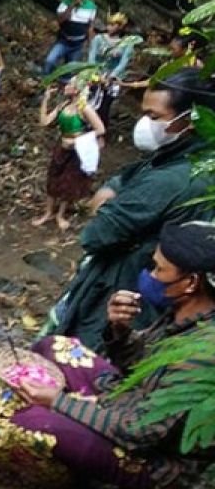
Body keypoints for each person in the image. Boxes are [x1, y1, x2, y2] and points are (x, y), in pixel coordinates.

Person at [0, 221, 215, 489]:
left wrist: (59, 403)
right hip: (128, 401)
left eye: (159, 270)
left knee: (33, 423)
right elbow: (136, 368)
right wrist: (119, 330)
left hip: (160, 462)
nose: (150, 276)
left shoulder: (202, 353)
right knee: (55, 347)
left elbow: (142, 432)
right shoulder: (184, 315)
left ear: (190, 282)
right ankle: (80, 459)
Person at [51, 68, 214, 348]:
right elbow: (129, 174)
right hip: (148, 289)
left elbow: (96, 234)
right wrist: (116, 188)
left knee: (88, 360)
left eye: (154, 117)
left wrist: (106, 203)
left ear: (188, 120)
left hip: (122, 290)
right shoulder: (185, 156)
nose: (144, 124)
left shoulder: (173, 180)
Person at [34, 79, 105, 231]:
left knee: (68, 182)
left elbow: (100, 129)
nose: (66, 87)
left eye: (70, 85)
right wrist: (46, 100)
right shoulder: (63, 106)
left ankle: (60, 214)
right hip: (62, 146)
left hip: (76, 149)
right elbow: (44, 122)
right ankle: (48, 212)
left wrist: (78, 142)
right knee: (53, 177)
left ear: (78, 89)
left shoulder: (84, 108)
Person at [88, 12, 138, 125]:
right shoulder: (98, 39)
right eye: (109, 24)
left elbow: (123, 62)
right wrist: (95, 73)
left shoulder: (126, 44)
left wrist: (111, 76)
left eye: (113, 24)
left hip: (112, 79)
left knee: (105, 106)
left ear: (120, 27)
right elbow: (92, 57)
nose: (109, 27)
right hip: (96, 74)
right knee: (90, 102)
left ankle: (102, 128)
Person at [44, 0, 97, 76]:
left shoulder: (91, 7)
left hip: (78, 44)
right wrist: (72, 5)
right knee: (50, 60)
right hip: (63, 41)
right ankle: (46, 80)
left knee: (69, 70)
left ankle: (62, 86)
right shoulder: (65, 2)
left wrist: (91, 44)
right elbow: (60, 20)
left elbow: (90, 26)